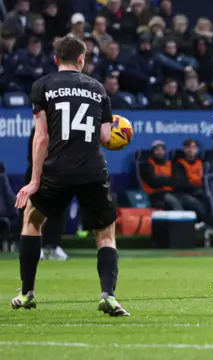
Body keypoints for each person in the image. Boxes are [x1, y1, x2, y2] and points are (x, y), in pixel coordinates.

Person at [12, 36, 129, 316]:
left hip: (57, 168)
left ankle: (27, 293)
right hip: (92, 169)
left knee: (32, 220)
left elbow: (41, 138)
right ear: (81, 59)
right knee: (105, 234)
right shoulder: (98, 88)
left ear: (55, 59)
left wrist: (35, 180)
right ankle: (108, 295)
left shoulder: (43, 86)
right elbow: (103, 137)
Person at [25, 126, 69, 261]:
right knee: (37, 212)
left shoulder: (64, 129)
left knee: (58, 212)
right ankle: (36, 247)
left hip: (59, 174)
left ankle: (54, 246)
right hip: (38, 174)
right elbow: (33, 156)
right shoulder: (38, 129)